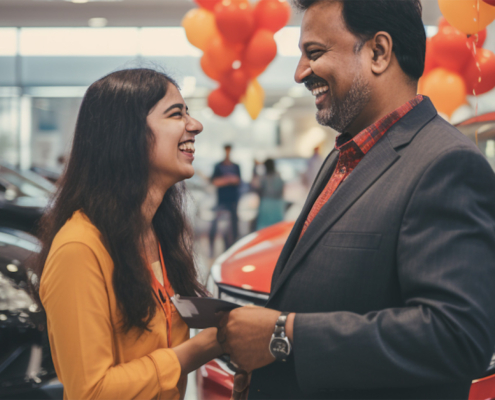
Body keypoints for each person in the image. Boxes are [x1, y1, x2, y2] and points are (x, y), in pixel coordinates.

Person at [216, 1, 495, 399]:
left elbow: (456, 336)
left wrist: (284, 334)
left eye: (314, 53)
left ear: (379, 52)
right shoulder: (341, 157)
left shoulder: (445, 164)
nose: (299, 73)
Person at [32, 69, 223, 400]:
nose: (195, 125)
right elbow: (90, 391)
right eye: (177, 113)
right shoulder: (80, 247)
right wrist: (202, 348)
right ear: (127, 133)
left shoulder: (156, 233)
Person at [209, 144, 241, 257]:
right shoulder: (218, 166)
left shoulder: (236, 166)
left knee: (233, 227)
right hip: (222, 200)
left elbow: (238, 181)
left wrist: (227, 180)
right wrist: (228, 180)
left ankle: (232, 249)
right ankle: (212, 249)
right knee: (216, 226)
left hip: (233, 200)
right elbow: (215, 182)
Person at [256, 159, 285, 230]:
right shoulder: (279, 176)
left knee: (264, 229)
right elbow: (281, 191)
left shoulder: (263, 177)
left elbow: (260, 190)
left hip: (266, 203)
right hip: (277, 204)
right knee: (277, 228)